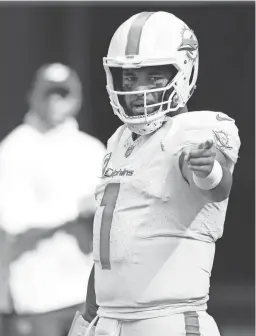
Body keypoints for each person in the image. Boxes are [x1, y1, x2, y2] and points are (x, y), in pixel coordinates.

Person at [68, 11, 241, 336]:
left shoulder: (197, 129)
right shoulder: (118, 141)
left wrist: (207, 170)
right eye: (129, 78)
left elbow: (215, 185)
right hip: (107, 322)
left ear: (184, 72)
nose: (138, 90)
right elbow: (110, 249)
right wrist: (89, 316)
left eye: (153, 76)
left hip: (167, 322)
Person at [0, 63, 106, 336]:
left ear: (77, 97)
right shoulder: (14, 149)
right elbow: (11, 220)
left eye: (63, 93)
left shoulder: (93, 149)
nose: (55, 101)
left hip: (88, 292)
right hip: (37, 298)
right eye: (48, 93)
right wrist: (75, 209)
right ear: (33, 95)